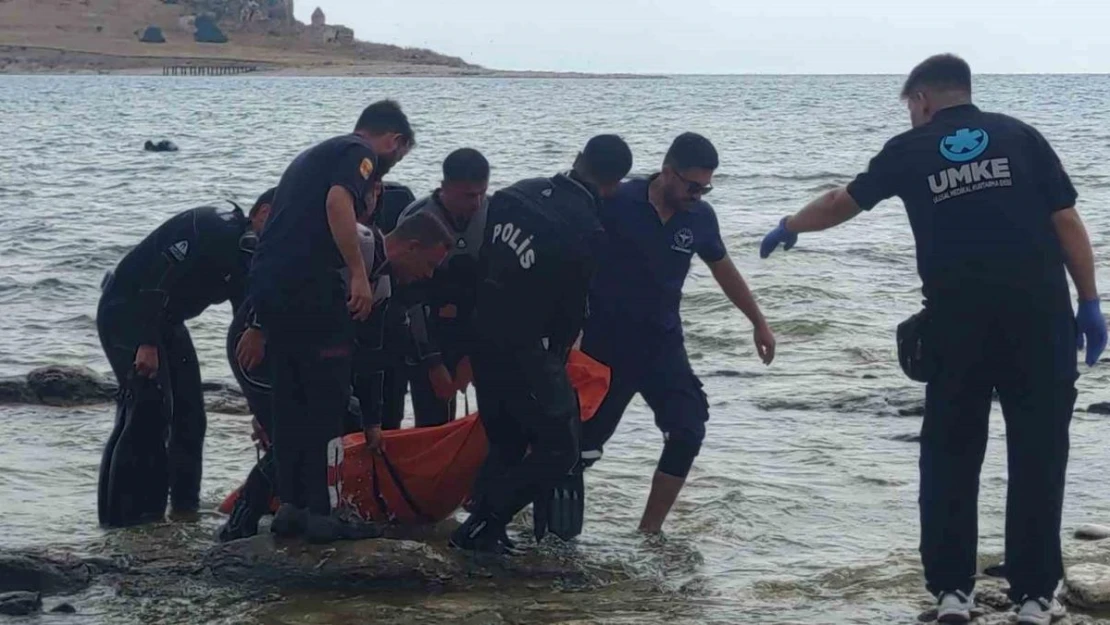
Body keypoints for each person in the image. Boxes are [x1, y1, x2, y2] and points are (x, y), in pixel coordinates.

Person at [759, 54, 1107, 625]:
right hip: (1039, 321)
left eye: (910, 106)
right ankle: (1035, 598)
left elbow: (839, 202)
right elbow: (1066, 220)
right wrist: (1090, 303)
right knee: (1040, 455)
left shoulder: (910, 148)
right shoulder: (1021, 136)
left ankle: (952, 592)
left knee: (949, 456)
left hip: (955, 325)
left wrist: (789, 226)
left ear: (921, 99)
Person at [573, 133, 776, 538]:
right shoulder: (616, 201)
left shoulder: (700, 217)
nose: (698, 195)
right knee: (579, 449)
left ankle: (649, 532)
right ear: (668, 172)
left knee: (688, 429)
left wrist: (758, 321)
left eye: (706, 188)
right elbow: (570, 256)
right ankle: (524, 517)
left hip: (662, 344)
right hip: (604, 347)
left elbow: (723, 268)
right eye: (692, 186)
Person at [218, 208, 452, 542]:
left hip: (305, 350)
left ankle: (307, 512)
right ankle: (243, 522)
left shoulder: (382, 286)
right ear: (412, 246)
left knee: (341, 417)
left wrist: (373, 421)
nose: (428, 276)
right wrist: (258, 325)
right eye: (430, 265)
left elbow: (372, 357)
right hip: (260, 341)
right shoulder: (356, 242)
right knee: (291, 431)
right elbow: (277, 259)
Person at [449, 135, 634, 554]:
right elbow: (572, 314)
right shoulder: (586, 228)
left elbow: (483, 262)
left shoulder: (515, 193)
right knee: (560, 448)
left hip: (483, 334)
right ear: (614, 185)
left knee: (508, 440)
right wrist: (556, 366)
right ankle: (482, 523)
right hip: (526, 347)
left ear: (578, 157)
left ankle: (484, 528)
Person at [246, 99, 415, 542]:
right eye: (397, 158)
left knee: (291, 399)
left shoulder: (314, 155)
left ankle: (291, 508)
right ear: (393, 141)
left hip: (272, 285)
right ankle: (325, 513)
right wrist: (358, 274)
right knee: (327, 397)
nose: (386, 171)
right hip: (310, 286)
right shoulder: (358, 152)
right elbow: (338, 198)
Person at [96, 187, 273, 526]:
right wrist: (145, 343)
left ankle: (183, 510)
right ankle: (124, 521)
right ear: (263, 213)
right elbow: (156, 276)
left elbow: (242, 334)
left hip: (166, 322)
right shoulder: (215, 226)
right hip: (128, 313)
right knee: (146, 413)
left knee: (191, 415)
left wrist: (258, 408)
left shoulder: (248, 259)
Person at [395, 148, 490, 427]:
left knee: (496, 419)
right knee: (433, 419)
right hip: (429, 328)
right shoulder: (417, 217)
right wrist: (433, 362)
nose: (476, 202)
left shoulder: (496, 213)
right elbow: (408, 298)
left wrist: (472, 355)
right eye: (468, 195)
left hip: (479, 325)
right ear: (445, 187)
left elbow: (500, 290)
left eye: (481, 193)